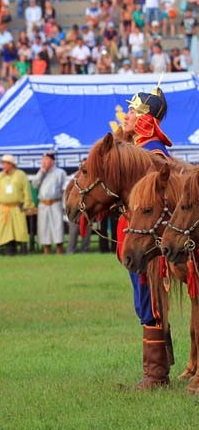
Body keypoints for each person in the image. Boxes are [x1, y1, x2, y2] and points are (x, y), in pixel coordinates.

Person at [119, 83, 173, 388]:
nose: (126, 116)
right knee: (143, 301)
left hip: (148, 241)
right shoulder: (139, 149)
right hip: (136, 236)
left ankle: (156, 373)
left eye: (132, 112)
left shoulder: (152, 153)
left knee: (150, 301)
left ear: (145, 118)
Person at [0, 154, 33, 255]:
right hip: (4, 208)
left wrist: (27, 204)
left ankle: (23, 250)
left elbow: (26, 190)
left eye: (5, 163)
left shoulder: (20, 174)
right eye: (2, 163)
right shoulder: (0, 177)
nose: (3, 166)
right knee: (5, 230)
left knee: (20, 229)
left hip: (17, 207)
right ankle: (8, 250)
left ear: (11, 164)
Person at [31, 151, 68, 255]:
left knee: (57, 227)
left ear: (52, 161)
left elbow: (64, 189)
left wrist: (65, 205)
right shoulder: (41, 172)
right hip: (43, 204)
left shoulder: (60, 173)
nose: (44, 162)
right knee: (44, 228)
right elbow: (34, 185)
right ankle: (46, 251)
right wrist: (42, 172)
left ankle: (59, 251)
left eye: (46, 160)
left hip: (55, 203)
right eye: (43, 160)